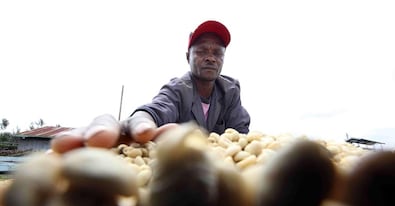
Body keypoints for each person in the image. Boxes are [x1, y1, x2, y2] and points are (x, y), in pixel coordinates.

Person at [51, 20, 251, 153]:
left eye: (217, 53)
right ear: (187, 57)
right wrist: (137, 123)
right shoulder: (178, 89)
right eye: (201, 51)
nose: (210, 58)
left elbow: (241, 136)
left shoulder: (230, 91)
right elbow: (154, 112)